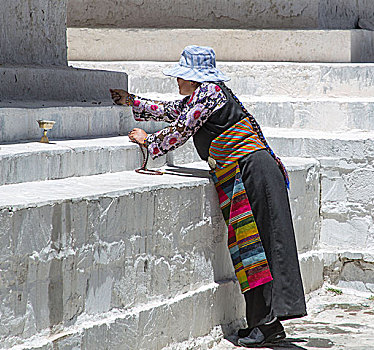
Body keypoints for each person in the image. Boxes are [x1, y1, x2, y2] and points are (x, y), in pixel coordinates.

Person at [110, 45, 306, 347]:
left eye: (182, 76)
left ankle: (265, 325)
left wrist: (149, 141)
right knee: (254, 247)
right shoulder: (205, 95)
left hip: (252, 172)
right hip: (249, 172)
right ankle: (268, 325)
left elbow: (181, 128)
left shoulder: (209, 94)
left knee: (257, 247)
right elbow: (174, 111)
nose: (178, 81)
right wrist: (132, 101)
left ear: (196, 78)